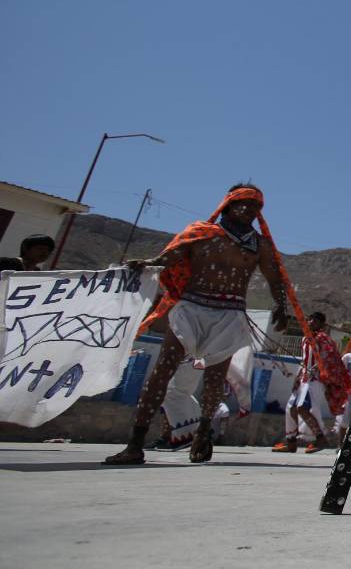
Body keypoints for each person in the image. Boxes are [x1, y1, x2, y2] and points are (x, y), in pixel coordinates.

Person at [103, 184, 302, 465]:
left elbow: (274, 278)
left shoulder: (259, 245)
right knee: (162, 371)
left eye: (255, 206)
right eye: (242, 203)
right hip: (191, 307)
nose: (248, 210)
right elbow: (168, 258)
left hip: (230, 314)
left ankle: (203, 431)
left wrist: (281, 306)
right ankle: (135, 444)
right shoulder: (201, 233)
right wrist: (149, 264)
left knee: (214, 378)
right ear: (228, 205)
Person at [272, 312, 351, 453]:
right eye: (309, 319)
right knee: (290, 408)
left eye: (314, 320)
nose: (310, 322)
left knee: (303, 408)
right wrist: (297, 378)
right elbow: (304, 361)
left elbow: (329, 357)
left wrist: (317, 368)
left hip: (315, 380)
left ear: (321, 324)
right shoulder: (305, 339)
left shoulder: (323, 339)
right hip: (303, 379)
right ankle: (291, 441)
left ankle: (320, 438)